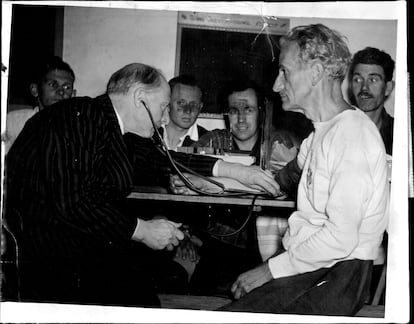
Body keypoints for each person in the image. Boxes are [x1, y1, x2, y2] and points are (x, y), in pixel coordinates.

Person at [4, 62, 279, 307]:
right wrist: (142, 230)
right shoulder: (82, 115)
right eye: (162, 108)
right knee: (140, 295)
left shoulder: (108, 124)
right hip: (47, 257)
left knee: (145, 288)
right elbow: (73, 202)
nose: (163, 118)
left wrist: (239, 172)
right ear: (140, 98)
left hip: (72, 246)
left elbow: (162, 159)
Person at [173, 24, 389, 316]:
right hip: (311, 263)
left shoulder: (351, 137)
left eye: (285, 72)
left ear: (315, 73)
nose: (276, 85)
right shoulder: (319, 135)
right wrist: (204, 185)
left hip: (337, 274)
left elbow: (341, 238)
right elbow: (274, 183)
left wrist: (268, 271)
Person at [194, 78, 300, 164]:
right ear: (227, 115)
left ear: (260, 113)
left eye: (248, 110)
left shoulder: (276, 143)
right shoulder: (214, 140)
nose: (241, 119)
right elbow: (184, 162)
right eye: (234, 111)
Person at [4, 56, 76, 153]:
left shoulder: (78, 127)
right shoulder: (14, 121)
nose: (61, 92)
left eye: (67, 87)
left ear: (74, 94)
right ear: (35, 90)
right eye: (53, 84)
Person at [348, 47, 395, 155]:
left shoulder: (400, 135)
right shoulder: (336, 129)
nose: (364, 87)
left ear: (388, 88)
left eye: (373, 80)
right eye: (358, 80)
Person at [160, 74, 208, 151]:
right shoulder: (149, 135)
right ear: (168, 103)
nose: (188, 110)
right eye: (181, 103)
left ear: (200, 107)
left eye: (193, 105)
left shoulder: (208, 142)